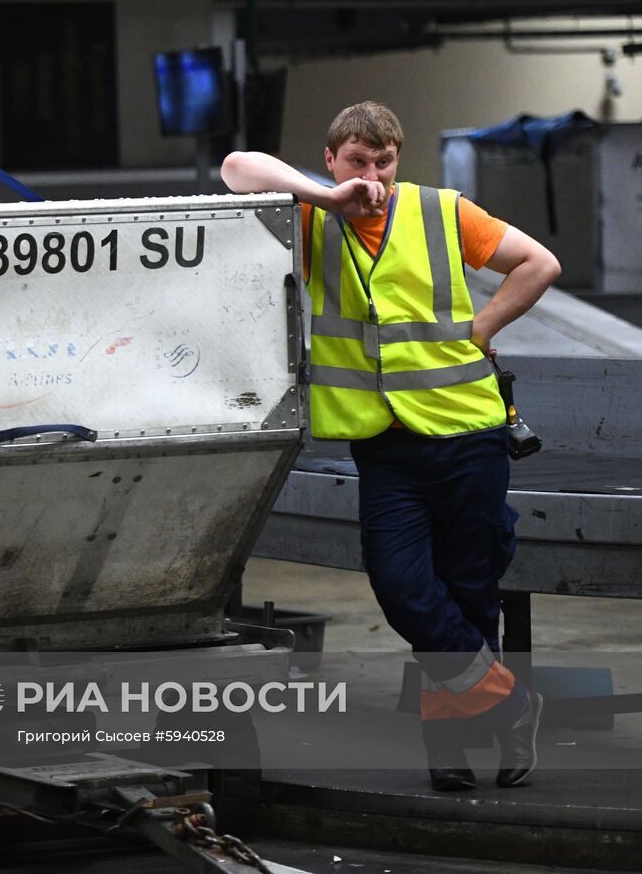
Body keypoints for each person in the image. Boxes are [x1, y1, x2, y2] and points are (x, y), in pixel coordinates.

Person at [222, 102, 561, 791]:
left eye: (383, 162)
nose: (372, 175)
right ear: (331, 160)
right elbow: (236, 169)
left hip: (467, 434)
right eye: (357, 161)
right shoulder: (311, 217)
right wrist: (328, 198)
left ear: (398, 160)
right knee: (403, 586)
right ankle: (510, 704)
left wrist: (479, 330)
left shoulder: (442, 212)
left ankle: (455, 747)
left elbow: (539, 263)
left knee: (469, 592)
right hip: (384, 445)